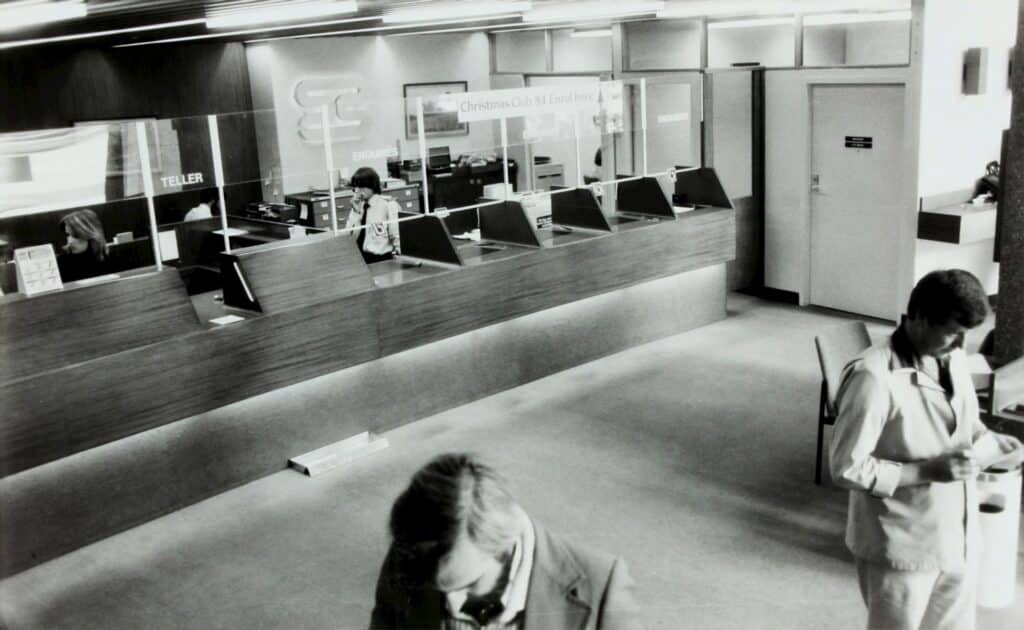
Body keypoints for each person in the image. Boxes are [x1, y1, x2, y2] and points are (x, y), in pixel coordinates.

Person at [829, 269, 1023, 630]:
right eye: (951, 332)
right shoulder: (873, 378)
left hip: (958, 536)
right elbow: (845, 466)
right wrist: (926, 471)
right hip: (901, 545)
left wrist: (991, 442)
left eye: (965, 335)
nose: (958, 343)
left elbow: (964, 424)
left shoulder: (954, 357)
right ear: (917, 316)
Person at [369, 453, 639, 630]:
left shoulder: (602, 587)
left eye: (469, 584)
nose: (453, 601)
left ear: (502, 548)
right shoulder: (411, 556)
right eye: (440, 589)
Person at [345, 167, 400, 264]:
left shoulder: (387, 205)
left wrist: (399, 256)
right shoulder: (358, 206)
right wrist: (355, 212)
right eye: (355, 187)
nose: (357, 190)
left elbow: (396, 235)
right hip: (360, 258)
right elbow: (349, 237)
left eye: (361, 186)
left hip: (380, 258)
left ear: (372, 186)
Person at [58, 208, 111, 282]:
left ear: (90, 237)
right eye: (68, 235)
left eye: (75, 236)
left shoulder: (109, 260)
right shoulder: (63, 264)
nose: (70, 241)